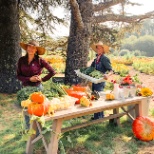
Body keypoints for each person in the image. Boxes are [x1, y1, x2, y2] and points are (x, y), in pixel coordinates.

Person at [17, 40, 56, 130]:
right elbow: (18, 76)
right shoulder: (21, 60)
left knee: (38, 111)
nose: (31, 49)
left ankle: (39, 130)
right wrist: (29, 79)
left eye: (33, 47)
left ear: (36, 50)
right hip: (25, 89)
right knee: (27, 110)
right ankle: (29, 129)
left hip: (37, 89)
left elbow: (52, 72)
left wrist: (42, 79)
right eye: (29, 46)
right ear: (26, 48)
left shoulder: (40, 60)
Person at [90, 41, 113, 120]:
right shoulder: (96, 59)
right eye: (97, 48)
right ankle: (96, 116)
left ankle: (100, 117)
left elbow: (111, 70)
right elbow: (91, 68)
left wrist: (107, 75)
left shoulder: (104, 59)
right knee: (95, 97)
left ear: (103, 50)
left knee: (98, 98)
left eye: (100, 47)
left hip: (100, 82)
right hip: (94, 81)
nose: (98, 49)